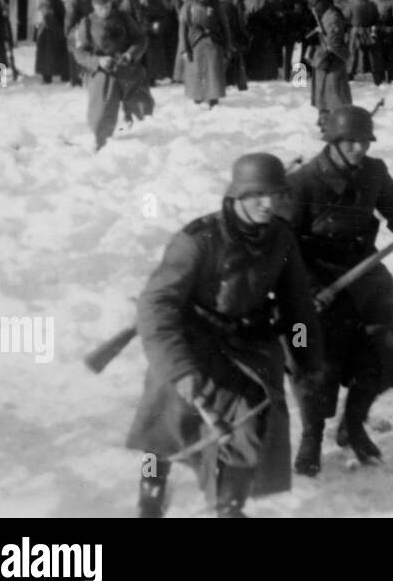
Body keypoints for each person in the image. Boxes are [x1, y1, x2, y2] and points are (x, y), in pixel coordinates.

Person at [126, 153, 324, 518]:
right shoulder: (197, 240)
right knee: (162, 435)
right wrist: (179, 370)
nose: (268, 204)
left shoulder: (281, 238)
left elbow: (298, 308)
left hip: (243, 346)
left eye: (275, 194)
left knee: (249, 429)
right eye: (257, 195)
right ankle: (150, 496)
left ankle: (229, 506)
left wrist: (307, 358)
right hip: (188, 343)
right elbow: (156, 307)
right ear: (237, 196)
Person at [286, 105, 393, 473]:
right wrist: (310, 288)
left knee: (383, 348)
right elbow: (284, 248)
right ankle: (312, 438)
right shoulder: (302, 183)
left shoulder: (373, 172)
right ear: (333, 143)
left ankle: (354, 425)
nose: (358, 149)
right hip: (316, 281)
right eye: (350, 142)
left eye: (364, 141)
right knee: (319, 362)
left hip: (363, 275)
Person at [71, 0, 152, 151]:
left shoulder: (123, 18)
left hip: (126, 67)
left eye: (107, 6)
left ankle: (143, 141)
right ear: (94, 6)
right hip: (103, 71)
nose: (105, 10)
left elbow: (140, 38)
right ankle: (101, 142)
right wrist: (98, 61)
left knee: (141, 106)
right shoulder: (86, 23)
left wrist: (130, 54)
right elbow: (79, 52)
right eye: (100, 7)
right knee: (102, 110)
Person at [179, 0, 230, 109]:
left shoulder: (215, 4)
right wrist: (184, 49)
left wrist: (227, 45)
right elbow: (183, 27)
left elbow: (225, 25)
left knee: (213, 71)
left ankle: (213, 97)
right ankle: (197, 97)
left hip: (213, 42)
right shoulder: (189, 4)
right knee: (196, 72)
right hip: (195, 43)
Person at [307, 0, 352, 131]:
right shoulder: (323, 12)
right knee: (324, 93)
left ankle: (335, 123)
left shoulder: (330, 15)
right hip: (319, 55)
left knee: (333, 95)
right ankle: (297, 83)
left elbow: (334, 41)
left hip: (329, 59)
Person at [212, 0, 249, 92]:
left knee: (224, 63)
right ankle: (240, 86)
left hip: (228, 37)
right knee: (236, 62)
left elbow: (224, 24)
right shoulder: (228, 2)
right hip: (233, 37)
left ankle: (217, 87)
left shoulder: (223, 4)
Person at [244, 0, 284, 82]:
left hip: (271, 32)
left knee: (271, 55)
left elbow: (277, 17)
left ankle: (270, 74)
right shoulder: (261, 0)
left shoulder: (276, 2)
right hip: (261, 32)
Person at [33, 0, 69, 84]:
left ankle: (59, 75)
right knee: (49, 55)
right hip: (49, 30)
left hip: (54, 28)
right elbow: (48, 14)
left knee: (53, 54)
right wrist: (60, 31)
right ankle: (48, 77)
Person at [370, 0, 393, 85]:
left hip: (388, 33)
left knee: (390, 56)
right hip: (376, 33)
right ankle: (380, 79)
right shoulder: (372, 1)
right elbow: (369, 18)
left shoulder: (392, 2)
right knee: (378, 57)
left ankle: (391, 78)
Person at [346, 0, 378, 81]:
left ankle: (350, 75)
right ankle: (376, 76)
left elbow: (346, 18)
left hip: (355, 31)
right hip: (369, 31)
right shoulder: (371, 4)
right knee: (371, 54)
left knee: (353, 53)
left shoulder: (351, 5)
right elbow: (376, 18)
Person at [65, 0, 92, 88]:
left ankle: (75, 80)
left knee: (74, 53)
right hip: (91, 28)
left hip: (77, 29)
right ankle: (87, 78)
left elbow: (70, 16)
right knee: (87, 53)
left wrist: (67, 31)